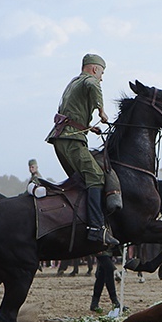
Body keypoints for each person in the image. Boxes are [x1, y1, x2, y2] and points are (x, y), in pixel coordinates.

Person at [45, 53, 118, 246]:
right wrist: (101, 110)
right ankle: (96, 228)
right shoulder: (89, 81)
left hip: (63, 137)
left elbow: (72, 112)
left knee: (81, 181)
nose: (102, 77)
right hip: (72, 139)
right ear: (94, 69)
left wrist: (89, 127)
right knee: (96, 176)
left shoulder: (73, 82)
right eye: (101, 73)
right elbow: (93, 85)